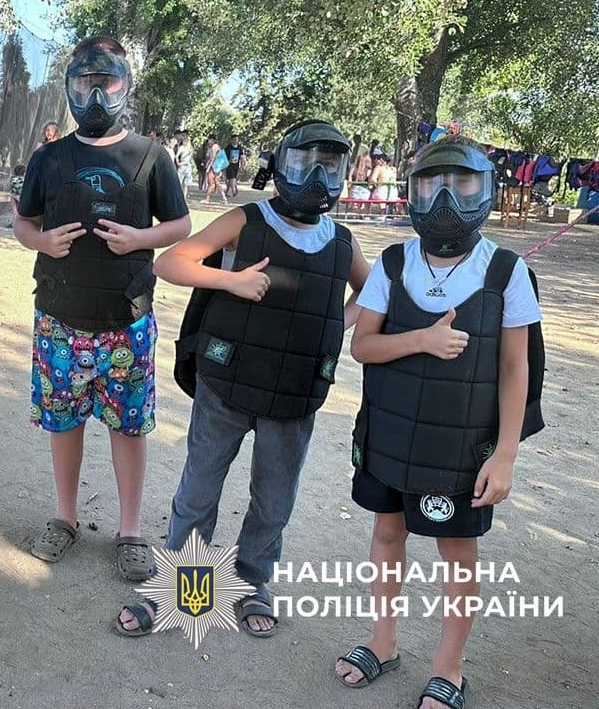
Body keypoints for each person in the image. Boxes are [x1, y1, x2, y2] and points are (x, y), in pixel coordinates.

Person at [115, 119, 371, 638]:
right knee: (199, 491)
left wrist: (336, 324)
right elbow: (171, 263)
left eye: (330, 167)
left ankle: (254, 584)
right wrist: (230, 281)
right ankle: (184, 587)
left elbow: (374, 294)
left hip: (294, 395)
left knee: (274, 501)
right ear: (281, 165)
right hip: (226, 387)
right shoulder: (245, 220)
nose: (318, 178)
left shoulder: (343, 243)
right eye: (305, 164)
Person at [333, 137, 544, 709]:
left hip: (460, 450)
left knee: (457, 553)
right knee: (386, 534)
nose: (446, 200)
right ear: (412, 193)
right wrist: (422, 340)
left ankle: (448, 669)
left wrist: (505, 454)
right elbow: (363, 346)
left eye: (463, 185)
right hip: (391, 435)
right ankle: (383, 642)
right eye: (431, 186)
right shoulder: (393, 263)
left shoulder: (506, 271)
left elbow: (515, 368)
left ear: (487, 191)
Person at [14, 36, 191, 581]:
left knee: (128, 429)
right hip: (60, 319)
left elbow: (180, 224)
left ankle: (131, 530)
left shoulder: (151, 156)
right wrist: (41, 243)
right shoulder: (48, 157)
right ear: (70, 87)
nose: (95, 96)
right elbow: (24, 223)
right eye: (84, 84)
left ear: (125, 86)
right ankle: (65, 518)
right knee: (64, 424)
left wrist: (140, 238)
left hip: (127, 322)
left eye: (106, 83)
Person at [204, 135, 227, 203]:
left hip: (214, 167)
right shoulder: (217, 146)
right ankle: (224, 198)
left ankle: (207, 199)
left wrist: (208, 167)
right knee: (217, 183)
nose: (208, 141)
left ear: (212, 140)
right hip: (218, 167)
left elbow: (212, 158)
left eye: (209, 140)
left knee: (211, 183)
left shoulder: (214, 147)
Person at [175, 131, 194, 196]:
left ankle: (183, 195)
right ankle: (182, 195)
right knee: (182, 181)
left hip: (185, 165)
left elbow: (177, 156)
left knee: (185, 182)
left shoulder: (188, 148)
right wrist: (178, 163)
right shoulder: (183, 148)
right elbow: (177, 156)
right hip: (184, 165)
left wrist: (178, 163)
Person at [225, 134, 243, 198]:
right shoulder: (228, 148)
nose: (235, 141)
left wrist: (242, 164)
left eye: (236, 139)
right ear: (231, 140)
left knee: (232, 179)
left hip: (236, 165)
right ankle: (234, 192)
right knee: (232, 178)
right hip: (229, 165)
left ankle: (226, 192)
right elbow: (224, 157)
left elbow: (242, 156)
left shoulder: (239, 148)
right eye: (234, 139)